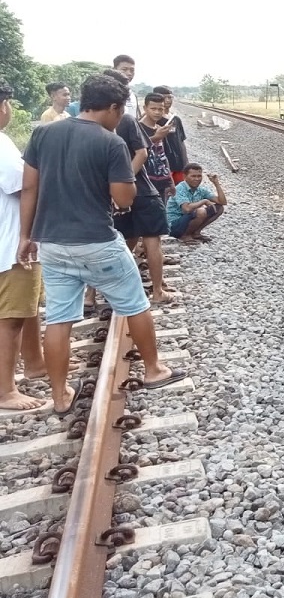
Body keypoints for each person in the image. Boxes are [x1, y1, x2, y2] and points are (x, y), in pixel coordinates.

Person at [19, 74, 186, 415]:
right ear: (112, 107)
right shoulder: (111, 142)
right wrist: (129, 189)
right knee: (135, 304)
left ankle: (60, 396)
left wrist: (26, 236)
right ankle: (154, 370)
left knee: (60, 319)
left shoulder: (43, 132)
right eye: (120, 109)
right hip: (97, 241)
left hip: (51, 242)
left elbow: (30, 188)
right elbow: (123, 199)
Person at [0, 82, 48, 411]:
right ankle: (5, 391)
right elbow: (24, 184)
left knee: (27, 307)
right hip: (13, 242)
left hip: (13, 240)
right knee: (12, 318)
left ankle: (35, 362)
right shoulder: (1, 144)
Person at [109, 73, 173, 306]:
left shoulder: (94, 123)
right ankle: (157, 291)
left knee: (125, 241)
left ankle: (116, 290)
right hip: (143, 190)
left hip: (118, 193)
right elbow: (143, 152)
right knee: (152, 240)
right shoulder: (127, 120)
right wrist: (127, 179)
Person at [167, 164, 227, 243]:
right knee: (201, 212)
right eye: (193, 176)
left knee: (219, 208)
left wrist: (216, 183)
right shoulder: (180, 188)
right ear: (185, 176)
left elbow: (222, 202)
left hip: (187, 220)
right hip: (174, 225)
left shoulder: (200, 189)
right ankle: (185, 236)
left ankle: (196, 233)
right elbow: (186, 209)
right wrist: (204, 201)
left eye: (199, 176)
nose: (197, 179)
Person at [139, 93, 175, 200]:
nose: (157, 112)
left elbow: (162, 155)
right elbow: (134, 150)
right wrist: (156, 137)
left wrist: (170, 180)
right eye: (153, 108)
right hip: (144, 184)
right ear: (145, 108)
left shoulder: (159, 128)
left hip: (160, 183)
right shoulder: (137, 128)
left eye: (160, 109)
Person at [153, 86, 190, 185]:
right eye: (165, 97)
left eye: (170, 97)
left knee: (179, 191)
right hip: (163, 164)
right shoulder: (154, 120)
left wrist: (185, 162)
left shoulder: (176, 119)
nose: (168, 100)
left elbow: (181, 141)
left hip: (178, 164)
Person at [112, 54, 138, 119]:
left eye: (132, 70)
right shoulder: (109, 92)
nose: (129, 73)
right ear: (114, 70)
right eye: (124, 69)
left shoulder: (133, 95)